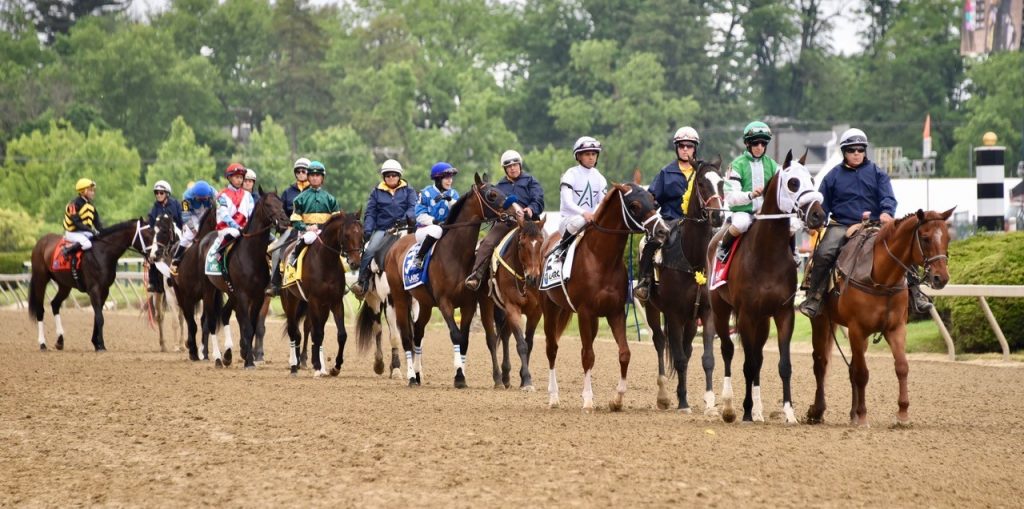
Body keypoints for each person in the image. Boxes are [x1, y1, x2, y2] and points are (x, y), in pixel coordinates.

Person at [799, 128, 933, 317]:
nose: (856, 153)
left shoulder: (878, 173)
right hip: (842, 225)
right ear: (844, 152)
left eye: (860, 149)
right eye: (852, 149)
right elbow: (824, 207)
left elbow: (888, 197)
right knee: (823, 253)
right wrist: (817, 223)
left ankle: (916, 294)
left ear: (865, 151)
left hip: (875, 225)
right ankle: (815, 298)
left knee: (903, 247)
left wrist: (887, 212)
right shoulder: (831, 177)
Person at [634, 126, 701, 302]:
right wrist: (648, 211)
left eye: (689, 145)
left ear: (695, 148)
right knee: (647, 242)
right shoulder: (666, 172)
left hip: (698, 223)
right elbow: (653, 197)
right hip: (671, 220)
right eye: (681, 146)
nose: (685, 149)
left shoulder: (703, 171)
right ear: (676, 148)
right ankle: (644, 283)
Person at [464, 149, 545, 290]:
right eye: (509, 166)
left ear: (520, 165)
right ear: (505, 169)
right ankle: (476, 276)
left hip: (530, 224)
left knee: (549, 244)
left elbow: (538, 199)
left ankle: (550, 278)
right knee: (486, 243)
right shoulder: (499, 187)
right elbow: (494, 206)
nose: (513, 168)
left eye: (515, 165)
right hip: (507, 223)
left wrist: (531, 209)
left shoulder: (531, 181)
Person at [268, 161, 340, 294]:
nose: (314, 177)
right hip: (305, 232)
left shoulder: (331, 199)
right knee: (302, 241)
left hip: (325, 232)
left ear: (322, 178)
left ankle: (342, 281)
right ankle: (288, 267)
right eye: (311, 175)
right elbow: (294, 219)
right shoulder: (298, 198)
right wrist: (306, 227)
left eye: (317, 175)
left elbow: (336, 219)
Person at [351, 159, 418, 297]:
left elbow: (413, 207)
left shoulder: (409, 190)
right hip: (384, 230)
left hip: (405, 227)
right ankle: (362, 282)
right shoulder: (376, 192)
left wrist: (403, 220)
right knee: (370, 250)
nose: (391, 178)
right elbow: (370, 213)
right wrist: (368, 230)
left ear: (399, 176)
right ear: (384, 177)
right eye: (387, 175)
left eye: (394, 175)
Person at [715, 121, 780, 262]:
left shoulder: (773, 165)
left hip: (766, 214)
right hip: (743, 212)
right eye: (756, 143)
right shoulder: (736, 165)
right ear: (747, 144)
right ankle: (723, 248)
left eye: (763, 144)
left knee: (791, 223)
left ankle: (793, 253)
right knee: (741, 224)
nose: (760, 147)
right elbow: (730, 197)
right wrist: (751, 195)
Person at [552, 136, 607, 255]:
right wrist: (584, 213)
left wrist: (595, 215)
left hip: (591, 220)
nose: (591, 157)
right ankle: (562, 246)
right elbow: (567, 202)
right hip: (569, 221)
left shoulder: (600, 178)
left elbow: (603, 203)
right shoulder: (570, 174)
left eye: (594, 154)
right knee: (580, 220)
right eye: (587, 154)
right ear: (579, 156)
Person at [270, 157, 311, 294]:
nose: (300, 174)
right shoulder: (288, 192)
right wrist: (282, 225)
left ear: (309, 172)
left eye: (303, 171)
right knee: (276, 250)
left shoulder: (314, 191)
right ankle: (275, 284)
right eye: (298, 171)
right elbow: (281, 213)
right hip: (291, 229)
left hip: (312, 228)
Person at [205, 163, 255, 274]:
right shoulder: (222, 195)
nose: (240, 180)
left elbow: (251, 214)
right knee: (235, 232)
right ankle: (219, 253)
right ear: (229, 178)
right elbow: (224, 216)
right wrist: (238, 227)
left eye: (241, 177)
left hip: (244, 229)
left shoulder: (248, 196)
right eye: (237, 177)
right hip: (226, 229)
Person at [411, 162, 460, 270]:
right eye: (447, 178)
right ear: (438, 179)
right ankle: (419, 257)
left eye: (451, 178)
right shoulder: (425, 193)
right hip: (425, 230)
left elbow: (458, 212)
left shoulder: (453, 194)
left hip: (446, 230)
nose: (450, 181)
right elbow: (420, 216)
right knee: (437, 230)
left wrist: (449, 199)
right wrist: (436, 222)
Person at [146, 180, 183, 292]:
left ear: (167, 193)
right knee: (152, 254)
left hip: (176, 234)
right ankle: (153, 282)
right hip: (160, 238)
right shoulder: (155, 208)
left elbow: (181, 220)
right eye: (156, 193)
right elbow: (151, 226)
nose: (158, 195)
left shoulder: (176, 204)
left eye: (161, 193)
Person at [171, 180, 216, 272]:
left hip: (207, 212)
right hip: (193, 215)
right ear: (195, 196)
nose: (203, 200)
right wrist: (194, 230)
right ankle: (175, 259)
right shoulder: (186, 198)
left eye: (205, 198)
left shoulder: (214, 193)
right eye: (200, 199)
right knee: (188, 235)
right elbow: (186, 217)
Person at [63, 178, 103, 256]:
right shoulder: (73, 204)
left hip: (85, 232)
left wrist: (104, 233)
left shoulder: (91, 206)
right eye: (91, 190)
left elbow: (98, 225)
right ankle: (67, 250)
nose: (93, 193)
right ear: (83, 191)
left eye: (93, 190)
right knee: (87, 245)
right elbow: (76, 222)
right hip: (72, 233)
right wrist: (91, 230)